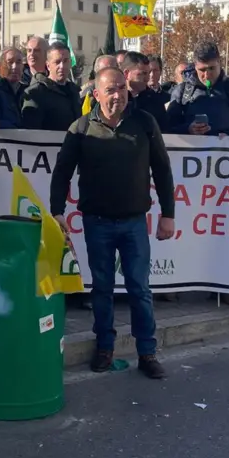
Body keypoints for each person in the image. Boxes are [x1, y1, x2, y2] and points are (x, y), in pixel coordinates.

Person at [50, 67, 175, 379]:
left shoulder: (145, 123)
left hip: (134, 222)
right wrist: (56, 211)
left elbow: (162, 170)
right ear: (96, 94)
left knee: (139, 289)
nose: (118, 94)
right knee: (102, 289)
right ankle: (105, 346)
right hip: (97, 223)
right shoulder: (80, 129)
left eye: (122, 87)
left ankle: (147, 352)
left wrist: (168, 214)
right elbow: (62, 172)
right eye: (111, 89)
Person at [165, 41, 229, 136]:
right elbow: (168, 128)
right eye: (202, 70)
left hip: (225, 149)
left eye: (211, 68)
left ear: (219, 62)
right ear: (195, 66)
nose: (207, 75)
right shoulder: (182, 91)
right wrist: (188, 129)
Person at [21, 43, 83, 131]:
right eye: (57, 62)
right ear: (48, 65)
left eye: (65, 61)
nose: (62, 66)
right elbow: (31, 131)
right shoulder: (35, 93)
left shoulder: (74, 91)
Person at [121, 51, 166, 130]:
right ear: (126, 73)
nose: (147, 78)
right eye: (143, 74)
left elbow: (165, 130)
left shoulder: (155, 101)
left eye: (148, 73)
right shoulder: (116, 99)